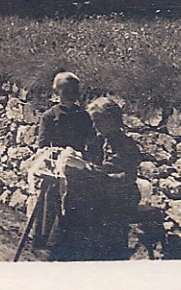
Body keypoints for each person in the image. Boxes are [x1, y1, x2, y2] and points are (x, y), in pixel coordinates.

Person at [61, 96, 144, 261]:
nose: (94, 125)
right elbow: (95, 165)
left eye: (98, 121)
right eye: (93, 121)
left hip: (121, 195)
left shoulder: (125, 145)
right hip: (104, 191)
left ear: (111, 121)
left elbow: (118, 176)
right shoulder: (101, 140)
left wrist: (85, 166)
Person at [24, 71, 97, 258]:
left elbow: (91, 141)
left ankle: (69, 241)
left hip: (76, 164)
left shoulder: (84, 116)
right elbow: (43, 144)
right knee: (50, 196)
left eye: (73, 92)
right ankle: (43, 240)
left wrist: (84, 157)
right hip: (54, 163)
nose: (69, 96)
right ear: (57, 94)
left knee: (77, 199)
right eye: (65, 92)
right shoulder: (50, 116)